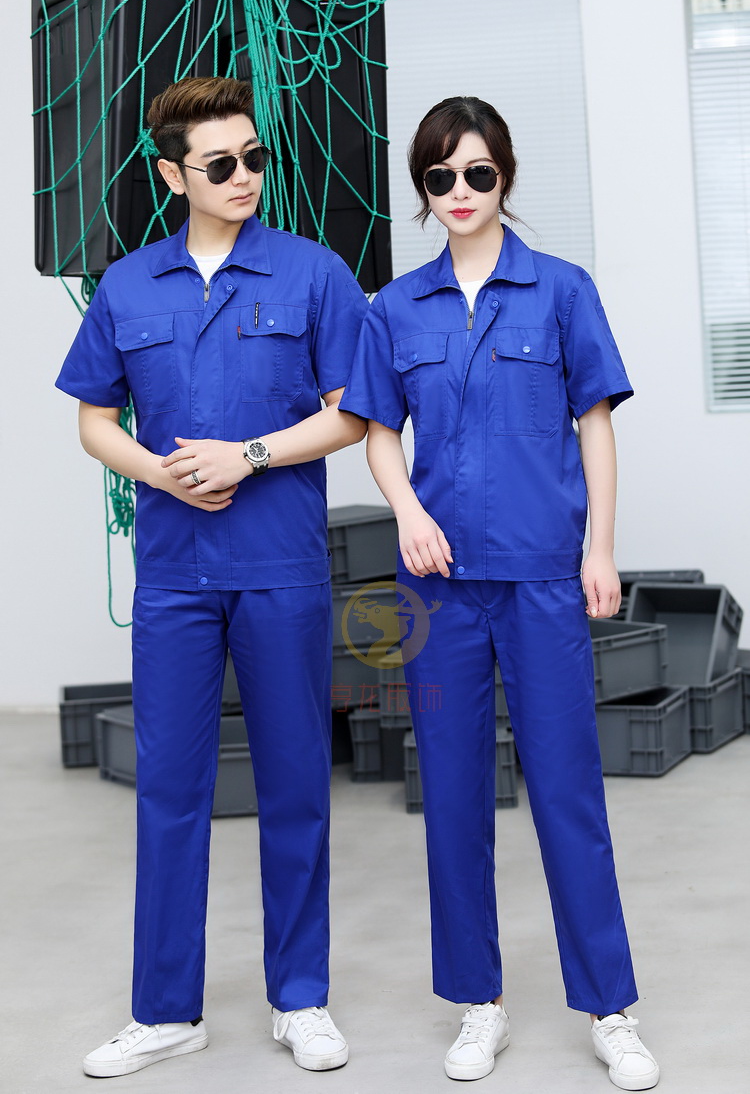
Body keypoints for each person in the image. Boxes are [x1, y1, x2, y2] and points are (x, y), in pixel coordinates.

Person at [339, 96, 659, 1090]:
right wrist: (405, 510)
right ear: (424, 191)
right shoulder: (395, 308)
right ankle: (480, 1004)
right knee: (452, 796)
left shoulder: (562, 290)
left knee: (567, 791)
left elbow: (595, 424)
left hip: (543, 579)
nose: (461, 192)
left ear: (505, 176)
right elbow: (378, 431)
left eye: (478, 173)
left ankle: (609, 1007)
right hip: (440, 589)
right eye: (440, 177)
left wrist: (600, 548)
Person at [55, 76, 370, 1078]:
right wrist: (160, 473)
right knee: (171, 788)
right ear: (171, 175)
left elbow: (351, 413)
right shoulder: (127, 286)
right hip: (173, 574)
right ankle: (164, 1011)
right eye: (220, 163)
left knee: (295, 782)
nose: (244, 177)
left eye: (255, 158)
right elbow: (94, 419)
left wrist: (251, 456)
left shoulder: (314, 273)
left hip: (280, 565)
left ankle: (301, 998)